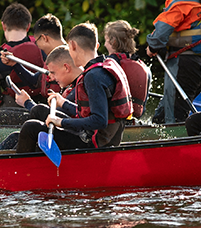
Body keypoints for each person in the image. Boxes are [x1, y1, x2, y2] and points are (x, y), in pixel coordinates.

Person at [15, 23, 132, 153]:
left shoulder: (93, 76)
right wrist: (63, 103)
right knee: (41, 110)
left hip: (93, 143)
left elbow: (99, 120)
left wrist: (61, 122)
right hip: (98, 137)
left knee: (30, 128)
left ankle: (17, 169)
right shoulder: (102, 67)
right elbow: (90, 111)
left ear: (73, 46)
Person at [147, 0, 201, 123]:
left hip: (183, 64)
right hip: (200, 67)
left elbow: (160, 33)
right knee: (170, 113)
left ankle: (173, 148)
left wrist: (152, 46)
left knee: (170, 119)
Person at [0, 46, 82, 150]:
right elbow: (34, 81)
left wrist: (27, 103)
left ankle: (14, 164)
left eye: (53, 73)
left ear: (66, 67)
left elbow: (47, 115)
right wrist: (16, 65)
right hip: (67, 128)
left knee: (31, 127)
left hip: (78, 137)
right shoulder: (71, 84)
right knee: (15, 136)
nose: (50, 78)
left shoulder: (79, 88)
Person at [0, 3, 47, 108]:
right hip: (43, 103)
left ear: (3, 25)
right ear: (28, 26)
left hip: (13, 107)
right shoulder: (43, 48)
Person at [104, 20, 150, 119]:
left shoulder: (110, 64)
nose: (104, 45)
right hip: (135, 117)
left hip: (115, 119)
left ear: (113, 41)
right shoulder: (142, 66)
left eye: (106, 40)